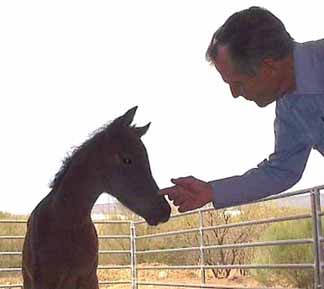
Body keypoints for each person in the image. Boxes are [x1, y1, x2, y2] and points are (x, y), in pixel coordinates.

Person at [159, 6, 324, 213]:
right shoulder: (290, 108)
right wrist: (211, 191)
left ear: (269, 67)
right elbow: (282, 171)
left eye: (238, 83)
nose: (235, 94)